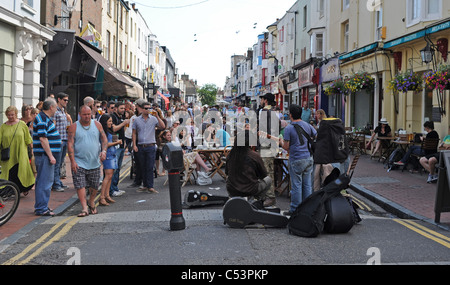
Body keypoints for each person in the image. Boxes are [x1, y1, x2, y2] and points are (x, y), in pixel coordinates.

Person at [67, 105, 108, 217]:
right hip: (79, 162)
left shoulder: (97, 124)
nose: (87, 116)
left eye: (89, 114)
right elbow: (70, 144)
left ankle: (91, 201)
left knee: (94, 185)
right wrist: (72, 161)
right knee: (80, 185)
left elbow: (104, 139)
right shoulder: (74, 127)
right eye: (84, 114)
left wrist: (104, 151)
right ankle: (84, 207)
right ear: (80, 114)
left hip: (94, 161)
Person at [280, 104, 317, 216]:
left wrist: (281, 142)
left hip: (296, 159)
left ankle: (295, 209)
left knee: (296, 185)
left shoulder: (289, 128)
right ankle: (307, 209)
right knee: (307, 185)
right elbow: (315, 135)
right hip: (308, 158)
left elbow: (286, 147)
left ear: (290, 115)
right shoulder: (307, 125)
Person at [32, 98, 62, 216]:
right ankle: (42, 208)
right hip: (44, 156)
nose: (56, 110)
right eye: (55, 107)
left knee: (42, 182)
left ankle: (41, 206)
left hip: (44, 156)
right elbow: (43, 139)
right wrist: (51, 156)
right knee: (45, 182)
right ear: (51, 107)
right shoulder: (42, 118)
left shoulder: (43, 118)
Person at [225, 130, 272, 202]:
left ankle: (233, 198)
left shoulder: (230, 155)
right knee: (268, 179)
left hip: (232, 189)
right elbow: (263, 175)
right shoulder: (254, 155)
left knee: (228, 178)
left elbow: (227, 172)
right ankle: (258, 200)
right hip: (250, 190)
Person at [0, 106, 35, 195]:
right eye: (8, 115)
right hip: (7, 154)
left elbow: (28, 139)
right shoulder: (3, 126)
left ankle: (23, 188)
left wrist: (32, 150)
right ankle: (10, 191)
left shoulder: (22, 124)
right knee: (8, 172)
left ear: (16, 114)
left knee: (21, 170)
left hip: (21, 153)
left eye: (12, 115)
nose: (10, 117)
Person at [132, 101, 165, 194]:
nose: (148, 110)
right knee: (142, 167)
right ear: (142, 109)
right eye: (146, 108)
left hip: (150, 146)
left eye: (149, 108)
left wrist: (157, 116)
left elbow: (163, 126)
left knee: (150, 167)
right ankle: (145, 185)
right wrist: (134, 145)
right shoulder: (137, 120)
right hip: (141, 146)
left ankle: (150, 186)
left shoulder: (154, 119)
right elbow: (134, 133)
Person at [258, 92, 279, 207]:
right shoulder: (273, 113)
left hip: (267, 147)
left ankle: (270, 197)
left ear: (265, 100)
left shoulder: (266, 112)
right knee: (265, 171)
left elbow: (267, 131)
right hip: (269, 146)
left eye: (262, 99)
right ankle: (265, 195)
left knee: (267, 172)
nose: (260, 101)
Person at [98, 114, 121, 205]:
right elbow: (105, 144)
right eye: (109, 121)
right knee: (107, 176)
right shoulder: (103, 132)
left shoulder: (109, 130)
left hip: (112, 154)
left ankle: (107, 195)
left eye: (111, 121)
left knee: (110, 176)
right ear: (105, 122)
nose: (111, 123)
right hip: (107, 155)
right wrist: (117, 142)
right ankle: (102, 197)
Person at [51, 92, 71, 192]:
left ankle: (58, 181)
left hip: (64, 139)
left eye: (67, 100)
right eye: (65, 100)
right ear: (59, 99)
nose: (66, 102)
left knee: (60, 163)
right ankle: (56, 184)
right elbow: (52, 126)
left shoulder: (63, 111)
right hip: (58, 141)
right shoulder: (55, 112)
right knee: (57, 163)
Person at [109, 102, 129, 197]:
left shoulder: (120, 117)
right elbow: (113, 129)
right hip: (115, 146)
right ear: (116, 108)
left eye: (124, 108)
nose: (123, 110)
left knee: (118, 168)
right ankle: (111, 190)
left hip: (120, 146)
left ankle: (115, 188)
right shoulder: (113, 117)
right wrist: (123, 123)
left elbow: (121, 131)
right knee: (114, 169)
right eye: (121, 108)